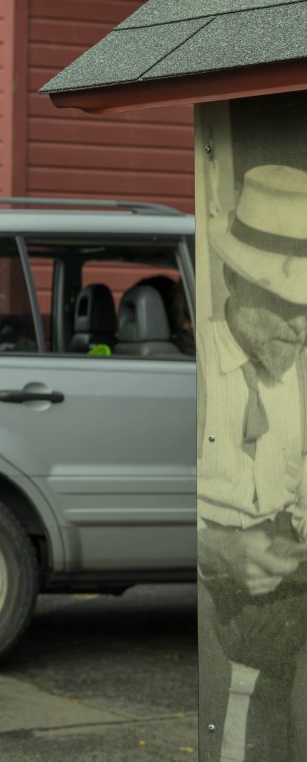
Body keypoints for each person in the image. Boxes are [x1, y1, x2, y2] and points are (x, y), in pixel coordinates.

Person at [198, 164, 307, 760]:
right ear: (235, 281)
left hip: (282, 584)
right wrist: (218, 550)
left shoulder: (299, 372)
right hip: (208, 585)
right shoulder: (195, 372)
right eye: (286, 302)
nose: (301, 325)